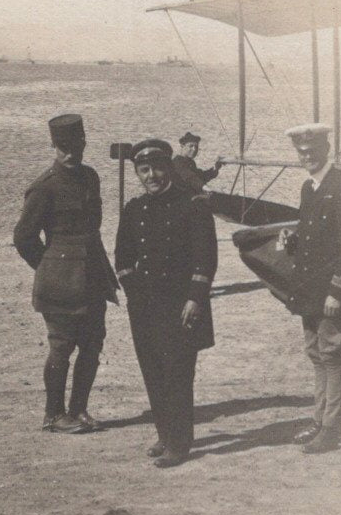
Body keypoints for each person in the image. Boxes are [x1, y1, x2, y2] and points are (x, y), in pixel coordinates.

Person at [13, 113, 119, 434]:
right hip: (61, 282)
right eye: (63, 147)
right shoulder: (43, 188)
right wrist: (50, 266)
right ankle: (53, 415)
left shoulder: (91, 178)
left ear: (85, 143)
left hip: (93, 274)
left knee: (93, 342)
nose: (70, 153)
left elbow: (94, 226)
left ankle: (79, 409)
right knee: (62, 345)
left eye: (76, 145)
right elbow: (23, 238)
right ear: (53, 146)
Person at [115, 139, 218, 468]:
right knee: (153, 369)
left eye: (157, 168)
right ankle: (164, 432)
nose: (152, 175)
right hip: (144, 305)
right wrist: (136, 293)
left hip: (180, 304)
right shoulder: (134, 210)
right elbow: (123, 260)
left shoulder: (193, 205)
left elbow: (206, 260)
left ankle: (180, 442)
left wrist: (195, 299)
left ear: (168, 168)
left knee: (177, 372)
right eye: (144, 170)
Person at [281, 123, 341, 454]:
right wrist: (294, 239)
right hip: (311, 289)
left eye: (313, 152)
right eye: (302, 153)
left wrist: (338, 290)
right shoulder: (310, 188)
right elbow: (317, 236)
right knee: (316, 354)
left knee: (330, 355)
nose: (307, 157)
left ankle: (331, 429)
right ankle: (319, 420)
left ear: (326, 150)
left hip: (331, 290)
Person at [171, 132, 222, 196]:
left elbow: (200, 177)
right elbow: (190, 177)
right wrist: (205, 187)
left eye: (196, 147)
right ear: (182, 146)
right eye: (191, 146)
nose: (194, 149)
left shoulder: (191, 163)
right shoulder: (177, 162)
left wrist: (215, 169)